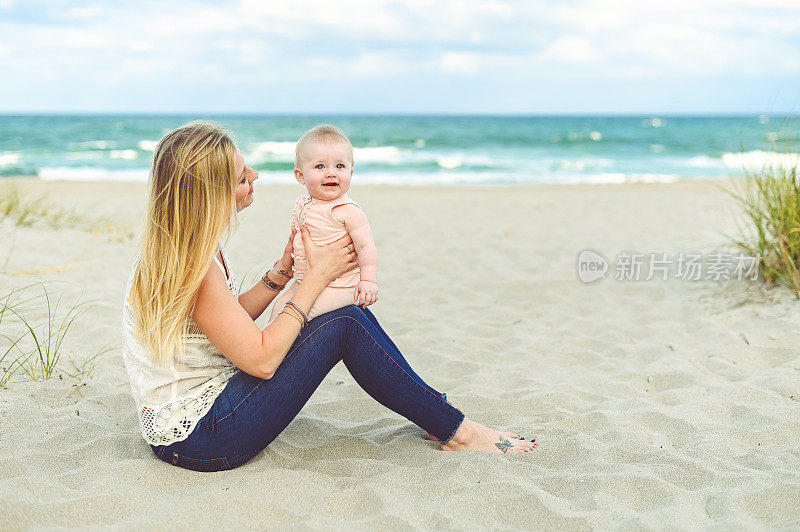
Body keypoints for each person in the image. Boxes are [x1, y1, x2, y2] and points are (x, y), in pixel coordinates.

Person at [122, 121, 536, 473]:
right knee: (345, 322)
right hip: (203, 438)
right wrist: (314, 280)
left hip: (201, 419)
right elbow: (261, 361)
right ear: (211, 193)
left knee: (346, 314)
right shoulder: (195, 268)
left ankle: (435, 414)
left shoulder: (179, 248)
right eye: (241, 174)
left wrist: (281, 275)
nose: (255, 175)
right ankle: (454, 429)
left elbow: (222, 325)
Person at [268, 124, 378, 324]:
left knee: (294, 317)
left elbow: (366, 246)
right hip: (304, 280)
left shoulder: (347, 210)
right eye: (320, 166)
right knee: (278, 309)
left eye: (340, 166)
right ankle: (271, 349)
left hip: (338, 286)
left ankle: (282, 347)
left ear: (351, 173)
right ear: (300, 176)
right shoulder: (303, 202)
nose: (331, 173)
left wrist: (368, 281)